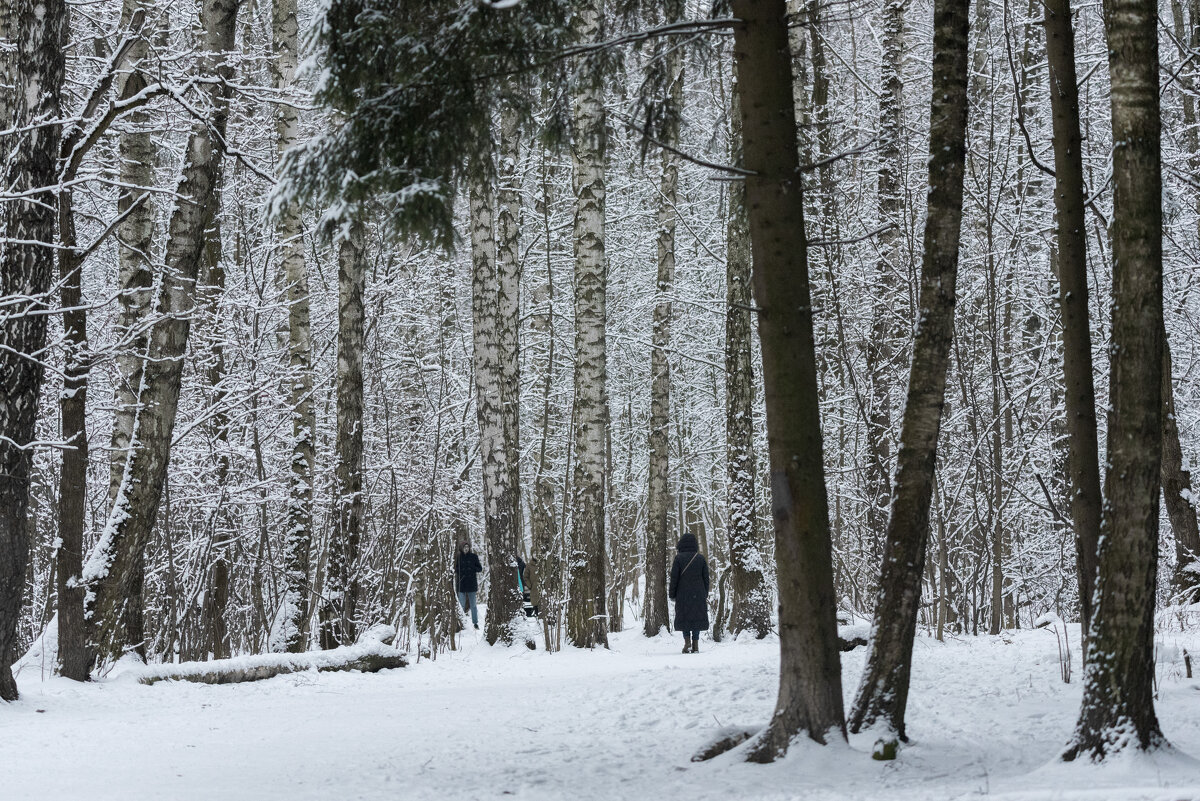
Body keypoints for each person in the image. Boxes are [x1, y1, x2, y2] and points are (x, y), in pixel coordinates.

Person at [669, 532, 710, 653]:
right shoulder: (700, 558)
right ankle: (696, 644)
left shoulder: (678, 558)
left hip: (683, 593)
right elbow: (706, 578)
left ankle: (687, 643)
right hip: (698, 593)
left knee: (685, 617)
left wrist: (672, 594)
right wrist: (705, 593)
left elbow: (674, 578)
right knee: (696, 618)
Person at [455, 541, 483, 629]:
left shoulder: (474, 557)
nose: (466, 549)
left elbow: (480, 568)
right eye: (464, 547)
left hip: (471, 584)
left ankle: (475, 623)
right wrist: (461, 571)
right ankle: (461, 623)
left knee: (473, 605)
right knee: (461, 605)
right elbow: (455, 569)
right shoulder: (458, 557)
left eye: (467, 547)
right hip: (461, 584)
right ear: (461, 548)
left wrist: (472, 568)